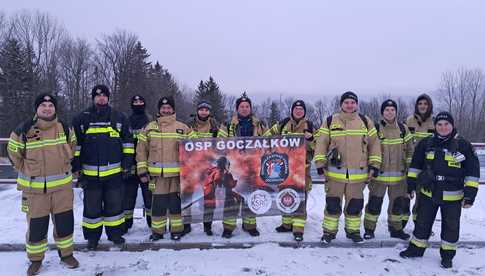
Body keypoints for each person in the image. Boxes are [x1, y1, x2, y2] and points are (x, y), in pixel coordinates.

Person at [8, 94, 79, 275]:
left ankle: (66, 255)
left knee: (65, 224)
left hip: (62, 188)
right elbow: (13, 151)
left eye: (50, 105)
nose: (47, 108)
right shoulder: (24, 129)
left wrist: (67, 161)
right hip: (35, 191)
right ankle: (36, 260)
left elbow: (73, 147)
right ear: (36, 109)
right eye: (43, 105)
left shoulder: (64, 127)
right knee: (36, 227)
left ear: (55, 108)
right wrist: (24, 167)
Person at [399, 112, 479, 269]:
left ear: (452, 125)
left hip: (453, 196)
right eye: (439, 124)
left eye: (446, 124)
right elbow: (415, 166)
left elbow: (473, 173)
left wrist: (470, 195)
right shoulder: (426, 143)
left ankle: (447, 256)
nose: (443, 127)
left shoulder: (464, 145)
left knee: (451, 226)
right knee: (422, 222)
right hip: (429, 193)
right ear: (435, 126)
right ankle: (416, 249)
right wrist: (411, 185)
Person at [314, 91, 382, 243]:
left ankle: (353, 232)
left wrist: (374, 166)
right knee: (332, 205)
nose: (350, 105)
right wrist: (319, 164)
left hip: (358, 176)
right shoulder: (331, 121)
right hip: (334, 175)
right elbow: (321, 142)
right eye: (346, 102)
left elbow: (375, 145)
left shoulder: (365, 121)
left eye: (353, 102)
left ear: (357, 104)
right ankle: (329, 233)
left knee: (355, 206)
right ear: (341, 104)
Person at [72, 85, 133, 250]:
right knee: (92, 208)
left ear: (108, 98)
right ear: (93, 98)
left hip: (115, 173)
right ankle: (92, 238)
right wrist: (76, 166)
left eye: (104, 95)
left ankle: (115, 235)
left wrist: (127, 164)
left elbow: (128, 143)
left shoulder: (119, 117)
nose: (101, 98)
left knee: (115, 206)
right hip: (90, 174)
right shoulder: (81, 119)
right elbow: (75, 145)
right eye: (98, 95)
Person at [136, 96, 192, 241]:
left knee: (176, 204)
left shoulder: (183, 128)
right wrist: (142, 171)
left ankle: (176, 230)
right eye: (163, 108)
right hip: (157, 176)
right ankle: (158, 231)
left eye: (168, 108)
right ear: (159, 110)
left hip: (177, 176)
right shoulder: (149, 128)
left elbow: (195, 150)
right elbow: (141, 151)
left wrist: (190, 172)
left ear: (173, 109)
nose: (166, 110)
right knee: (158, 205)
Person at [217, 92, 267, 238]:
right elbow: (219, 144)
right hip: (233, 167)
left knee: (250, 197)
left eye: (247, 106)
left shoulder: (259, 124)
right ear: (237, 108)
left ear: (250, 108)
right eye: (242, 106)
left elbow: (268, 142)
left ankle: (250, 225)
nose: (244, 108)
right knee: (231, 197)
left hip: (253, 166)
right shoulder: (227, 124)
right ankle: (228, 227)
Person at [264, 100, 315, 241]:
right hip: (284, 168)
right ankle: (286, 224)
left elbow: (317, 147)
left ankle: (298, 228)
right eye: (296, 109)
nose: (298, 111)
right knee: (285, 196)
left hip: (302, 169)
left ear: (304, 112)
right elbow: (266, 137)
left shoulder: (309, 126)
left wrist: (310, 139)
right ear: (292, 110)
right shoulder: (282, 124)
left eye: (301, 109)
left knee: (300, 198)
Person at [363, 99, 413, 240]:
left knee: (397, 206)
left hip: (399, 178)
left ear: (396, 112)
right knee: (374, 204)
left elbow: (410, 151)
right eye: (387, 110)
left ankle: (396, 229)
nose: (390, 112)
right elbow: (368, 150)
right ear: (382, 112)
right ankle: (369, 229)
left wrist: (409, 171)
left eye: (392, 110)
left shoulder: (403, 129)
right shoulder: (376, 129)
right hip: (379, 177)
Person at [186, 100, 219, 235]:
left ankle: (208, 225)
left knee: (209, 198)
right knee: (188, 197)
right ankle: (186, 224)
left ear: (209, 112)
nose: (204, 112)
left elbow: (221, 145)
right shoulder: (189, 125)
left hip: (208, 168)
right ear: (197, 111)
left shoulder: (215, 126)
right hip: (192, 167)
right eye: (201, 109)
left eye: (206, 110)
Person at [122, 95, 152, 232]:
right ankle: (126, 223)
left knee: (149, 196)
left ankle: (153, 223)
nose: (138, 104)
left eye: (140, 101)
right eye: (135, 102)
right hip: (130, 165)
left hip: (146, 165)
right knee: (128, 197)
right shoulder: (126, 121)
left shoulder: (150, 121)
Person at [405, 93, 435, 226]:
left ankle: (420, 225)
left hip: (428, 166)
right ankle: (400, 225)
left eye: (425, 104)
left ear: (429, 106)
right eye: (420, 104)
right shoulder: (409, 120)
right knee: (405, 196)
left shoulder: (435, 121)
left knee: (423, 198)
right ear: (416, 106)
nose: (422, 106)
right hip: (411, 164)